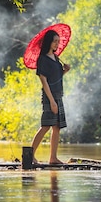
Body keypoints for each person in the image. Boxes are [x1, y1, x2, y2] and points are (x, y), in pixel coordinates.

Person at [31, 30, 70, 165]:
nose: (57, 44)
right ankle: (30, 155)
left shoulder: (56, 58)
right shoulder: (43, 59)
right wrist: (52, 101)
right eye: (55, 41)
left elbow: (56, 78)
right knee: (46, 126)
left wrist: (64, 71)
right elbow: (44, 81)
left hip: (59, 95)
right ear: (48, 42)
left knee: (57, 127)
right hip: (50, 97)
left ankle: (53, 158)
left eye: (58, 42)